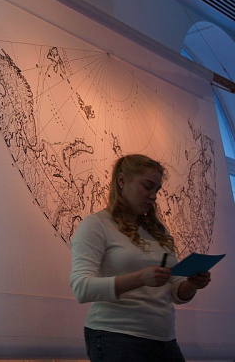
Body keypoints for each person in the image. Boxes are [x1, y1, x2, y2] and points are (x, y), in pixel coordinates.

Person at [70, 154, 212, 361]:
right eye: (147, 186)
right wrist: (140, 278)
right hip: (116, 337)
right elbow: (82, 288)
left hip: (164, 339)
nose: (153, 196)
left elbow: (174, 291)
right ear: (121, 181)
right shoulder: (96, 225)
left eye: (157, 190)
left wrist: (192, 284)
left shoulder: (159, 231)